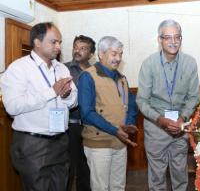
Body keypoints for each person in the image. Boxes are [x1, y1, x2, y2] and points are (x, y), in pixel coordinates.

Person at [0, 22, 77, 190]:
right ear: (37, 42)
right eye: (54, 42)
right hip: (33, 143)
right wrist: (51, 92)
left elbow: (73, 101)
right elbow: (13, 106)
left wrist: (67, 95)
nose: (58, 46)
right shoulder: (18, 68)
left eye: (60, 42)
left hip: (61, 141)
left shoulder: (62, 68)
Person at [136, 19, 200, 191]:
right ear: (160, 40)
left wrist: (182, 117)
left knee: (180, 173)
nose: (173, 41)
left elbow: (194, 96)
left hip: (180, 126)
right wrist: (160, 120)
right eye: (168, 37)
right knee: (157, 177)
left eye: (177, 37)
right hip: (156, 127)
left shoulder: (190, 63)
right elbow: (141, 100)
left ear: (181, 39)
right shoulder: (149, 64)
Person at [78, 36, 138, 191]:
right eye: (114, 54)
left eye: (120, 54)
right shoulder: (88, 76)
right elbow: (86, 113)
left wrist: (129, 124)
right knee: (101, 188)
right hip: (99, 144)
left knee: (118, 186)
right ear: (101, 54)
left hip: (120, 142)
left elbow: (131, 103)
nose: (118, 58)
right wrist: (115, 130)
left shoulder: (121, 78)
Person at [65, 35, 95, 191]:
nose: (77, 51)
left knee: (86, 166)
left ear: (91, 54)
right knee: (67, 167)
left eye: (83, 48)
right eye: (76, 47)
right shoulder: (63, 69)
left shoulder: (95, 72)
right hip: (69, 126)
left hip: (90, 126)